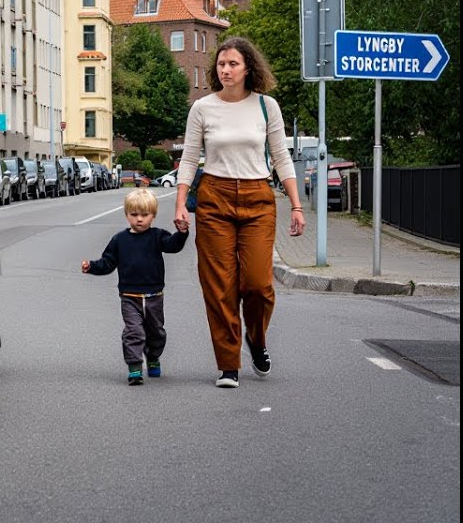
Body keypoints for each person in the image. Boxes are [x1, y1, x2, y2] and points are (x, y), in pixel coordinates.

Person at [174, 37, 305, 389]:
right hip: (214, 198)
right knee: (219, 287)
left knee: (259, 284)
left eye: (232, 64)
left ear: (248, 68)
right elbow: (189, 158)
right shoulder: (202, 108)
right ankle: (228, 364)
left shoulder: (266, 106)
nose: (225, 69)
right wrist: (180, 204)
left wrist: (295, 205)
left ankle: (257, 339)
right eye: (221, 64)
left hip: (257, 197)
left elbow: (281, 158)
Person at [81, 188, 189, 385]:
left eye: (144, 215)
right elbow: (107, 263)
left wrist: (181, 233)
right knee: (134, 332)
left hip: (154, 296)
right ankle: (135, 368)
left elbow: (173, 246)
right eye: (134, 214)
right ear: (126, 215)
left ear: (153, 216)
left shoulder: (158, 236)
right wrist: (92, 267)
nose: (139, 219)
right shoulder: (119, 240)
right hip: (129, 296)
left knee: (157, 333)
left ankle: (153, 356)